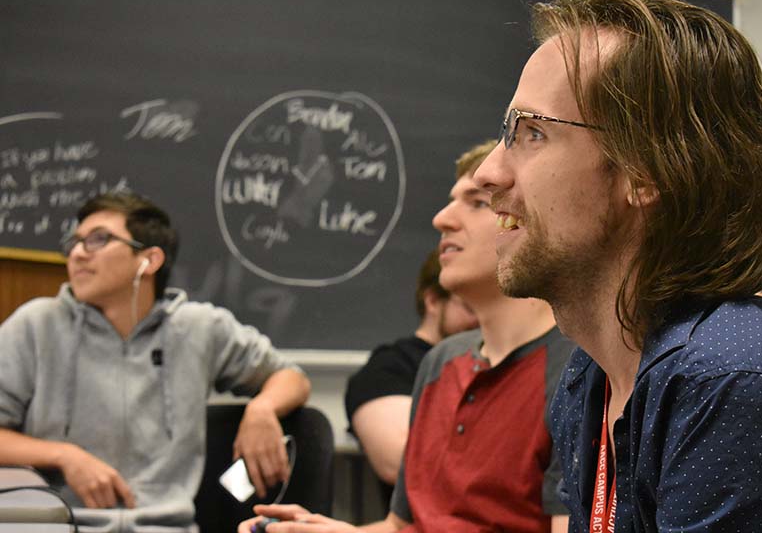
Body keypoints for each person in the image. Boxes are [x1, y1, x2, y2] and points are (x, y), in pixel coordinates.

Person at [473, 0, 762, 532]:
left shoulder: (734, 380)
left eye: (532, 132)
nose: (486, 174)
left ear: (645, 171)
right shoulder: (593, 375)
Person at [239, 140, 571, 532]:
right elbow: (401, 526)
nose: (442, 219)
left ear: (527, 222)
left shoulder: (575, 371)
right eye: (451, 201)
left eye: (477, 203)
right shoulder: (441, 362)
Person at [0, 191, 311, 532]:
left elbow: (290, 377)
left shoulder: (198, 327)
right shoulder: (37, 325)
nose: (76, 254)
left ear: (149, 260)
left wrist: (262, 409)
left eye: (98, 240)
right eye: (74, 243)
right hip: (59, 525)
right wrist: (63, 455)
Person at [344, 250, 478, 491]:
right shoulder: (390, 368)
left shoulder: (501, 364)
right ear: (433, 301)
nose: (481, 318)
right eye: (470, 307)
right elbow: (400, 460)